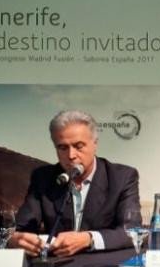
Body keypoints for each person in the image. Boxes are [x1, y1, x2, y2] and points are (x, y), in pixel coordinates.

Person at [10, 110, 140, 257]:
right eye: (63, 148)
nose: (71, 156)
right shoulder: (43, 178)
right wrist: (14, 239)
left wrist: (88, 239)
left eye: (79, 146)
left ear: (95, 144)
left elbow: (132, 230)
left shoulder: (122, 177)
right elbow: (21, 228)